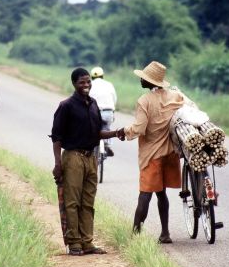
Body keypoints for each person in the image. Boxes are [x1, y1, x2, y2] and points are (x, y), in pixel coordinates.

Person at [51, 67, 121, 256]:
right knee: (72, 202)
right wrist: (58, 164)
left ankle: (87, 242)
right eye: (82, 82)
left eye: (88, 81)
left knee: (88, 202)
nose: (86, 85)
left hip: (91, 158)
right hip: (72, 157)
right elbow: (56, 137)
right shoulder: (66, 106)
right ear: (74, 84)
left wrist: (116, 133)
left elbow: (98, 133)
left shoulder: (93, 104)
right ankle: (74, 243)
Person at [117, 61, 188, 244]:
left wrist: (123, 131)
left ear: (150, 82)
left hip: (152, 155)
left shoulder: (144, 101)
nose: (141, 79)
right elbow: (189, 109)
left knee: (145, 194)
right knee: (161, 193)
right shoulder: (176, 96)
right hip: (170, 153)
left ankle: (134, 236)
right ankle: (165, 233)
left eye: (144, 78)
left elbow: (139, 128)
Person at [89, 66, 118, 157]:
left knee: (90, 131)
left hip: (94, 113)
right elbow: (114, 99)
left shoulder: (89, 85)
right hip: (108, 112)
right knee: (106, 128)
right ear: (102, 76)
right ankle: (106, 145)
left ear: (92, 77)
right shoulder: (109, 84)